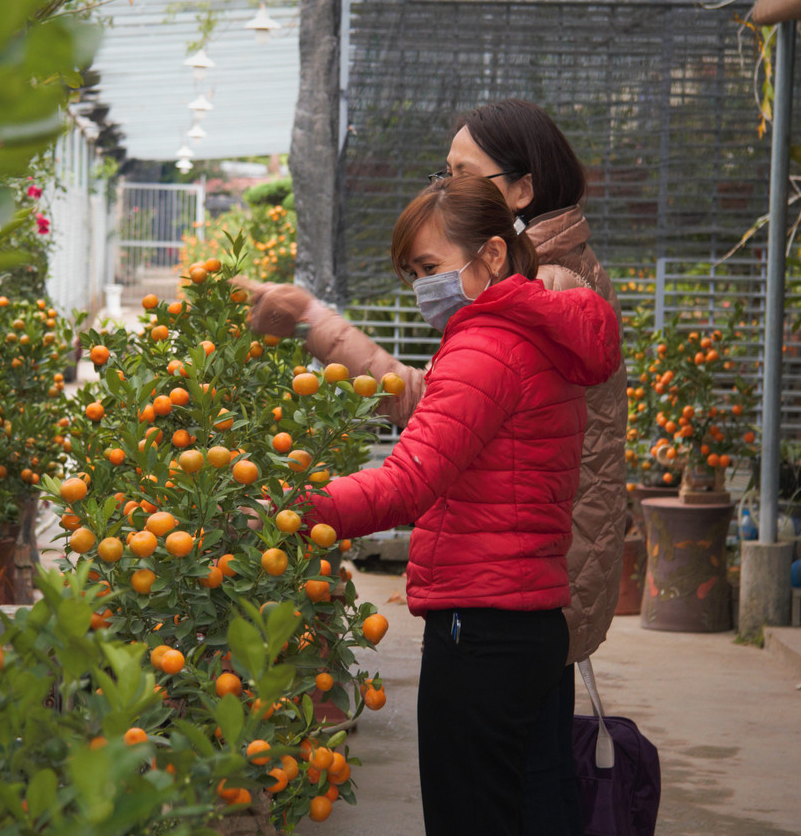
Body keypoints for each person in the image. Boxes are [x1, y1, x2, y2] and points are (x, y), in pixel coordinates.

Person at [240, 99, 627, 836]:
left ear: (509, 204)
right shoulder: (539, 313)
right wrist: (317, 323)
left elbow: (415, 470)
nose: (422, 285)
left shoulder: (514, 319)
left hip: (489, 609)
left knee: (476, 809)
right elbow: (451, 411)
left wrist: (297, 506)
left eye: (458, 174)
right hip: (534, 599)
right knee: (535, 803)